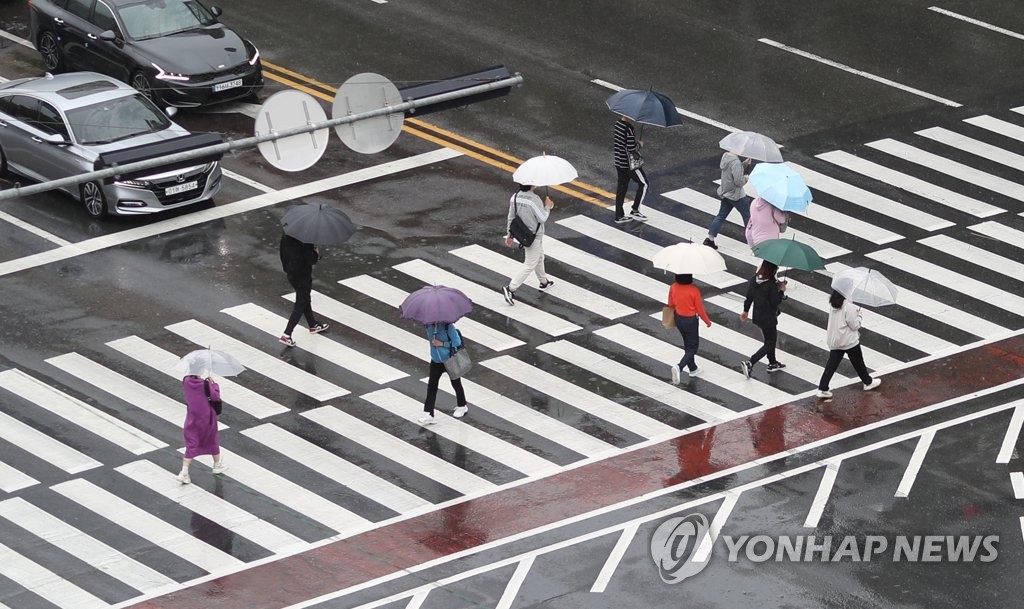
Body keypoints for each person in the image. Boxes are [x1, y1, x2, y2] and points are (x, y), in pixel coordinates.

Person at [816, 290, 883, 398]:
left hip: (836, 340)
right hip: (848, 340)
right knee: (859, 363)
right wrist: (859, 315)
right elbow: (854, 325)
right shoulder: (848, 306)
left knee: (831, 365)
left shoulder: (834, 304)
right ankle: (868, 382)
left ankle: (822, 388)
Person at [502, 184, 555, 305]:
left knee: (539, 257)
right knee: (530, 264)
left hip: (522, 234)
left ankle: (544, 281)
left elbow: (511, 217)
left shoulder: (514, 197)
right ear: (531, 185)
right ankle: (510, 289)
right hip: (533, 236)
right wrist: (548, 207)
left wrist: (510, 234)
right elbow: (542, 218)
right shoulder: (534, 199)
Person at [279, 233, 329, 346]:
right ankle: (287, 334)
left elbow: (282, 253)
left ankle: (312, 325)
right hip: (302, 274)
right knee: (301, 302)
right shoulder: (306, 239)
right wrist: (316, 252)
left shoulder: (287, 234)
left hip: (291, 273)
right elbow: (311, 259)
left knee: (305, 298)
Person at [739, 261, 787, 378]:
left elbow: (749, 297)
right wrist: (781, 290)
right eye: (775, 271)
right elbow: (775, 302)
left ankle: (772, 363)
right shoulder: (770, 285)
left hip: (758, 316)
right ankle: (751, 362)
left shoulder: (754, 280)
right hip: (768, 317)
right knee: (770, 343)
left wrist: (745, 311)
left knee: (769, 340)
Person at [177, 374, 226, 484]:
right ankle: (217, 465)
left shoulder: (186, 381)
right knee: (212, 439)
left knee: (192, 443)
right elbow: (215, 397)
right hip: (207, 417)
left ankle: (184, 471)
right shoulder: (204, 384)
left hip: (192, 417)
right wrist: (214, 385)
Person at [666, 274, 712, 383]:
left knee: (687, 343)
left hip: (678, 318)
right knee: (693, 347)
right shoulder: (694, 291)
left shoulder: (673, 287)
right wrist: (707, 321)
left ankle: (693, 368)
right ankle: (679, 367)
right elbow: (700, 309)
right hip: (690, 321)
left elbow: (670, 304)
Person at [420, 322, 469, 425]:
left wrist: (442, 344)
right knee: (432, 387)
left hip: (449, 359)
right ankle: (429, 413)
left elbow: (457, 342)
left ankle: (462, 405)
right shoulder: (428, 326)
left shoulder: (448, 326)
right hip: (435, 361)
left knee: (456, 383)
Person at [704, 152, 752, 250]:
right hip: (737, 195)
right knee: (748, 217)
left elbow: (733, 171)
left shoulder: (726, 157)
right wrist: (747, 177)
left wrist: (744, 164)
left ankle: (710, 239)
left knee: (721, 216)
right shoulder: (736, 162)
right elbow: (738, 181)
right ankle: (752, 241)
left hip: (726, 193)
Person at [612, 115, 649, 224]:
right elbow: (631, 148)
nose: (633, 118)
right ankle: (635, 210)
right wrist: (639, 144)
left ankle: (619, 215)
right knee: (644, 184)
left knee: (621, 189)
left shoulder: (617, 124)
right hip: (630, 164)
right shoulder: (628, 128)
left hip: (619, 162)